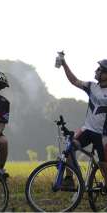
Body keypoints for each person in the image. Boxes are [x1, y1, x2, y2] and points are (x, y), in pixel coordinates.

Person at [57, 53, 107, 188]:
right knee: (69, 148)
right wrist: (64, 64)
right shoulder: (92, 86)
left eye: (100, 69)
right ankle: (69, 179)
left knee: (103, 164)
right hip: (88, 129)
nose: (96, 71)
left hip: (103, 135)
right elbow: (74, 80)